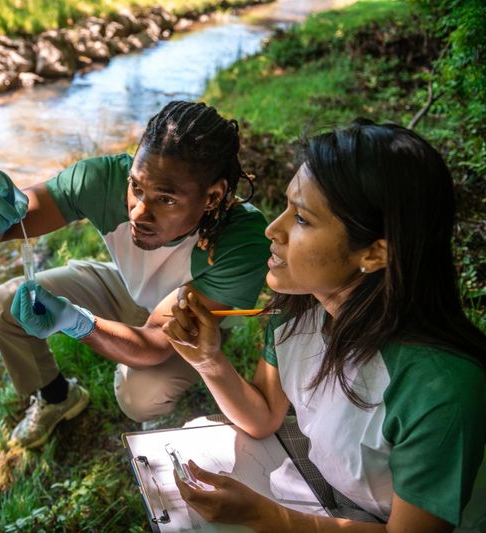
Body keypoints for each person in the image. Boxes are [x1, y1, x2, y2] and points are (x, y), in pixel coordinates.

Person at [163, 119, 486, 531]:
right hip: (334, 500)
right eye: (285, 207)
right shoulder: (301, 313)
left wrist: (269, 518)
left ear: (373, 253)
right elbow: (262, 418)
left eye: (301, 219)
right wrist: (209, 361)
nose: (272, 229)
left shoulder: (440, 390)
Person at [0, 101, 271, 448]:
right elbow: (5, 227)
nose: (139, 213)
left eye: (165, 200)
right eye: (136, 187)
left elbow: (153, 343)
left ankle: (166, 405)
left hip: (192, 326)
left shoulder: (243, 239)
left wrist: (75, 321)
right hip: (125, 287)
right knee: (4, 302)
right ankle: (57, 396)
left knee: (139, 396)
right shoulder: (103, 179)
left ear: (212, 196)